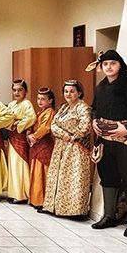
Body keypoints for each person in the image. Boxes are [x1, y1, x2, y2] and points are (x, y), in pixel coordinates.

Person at [89, 50, 127, 237]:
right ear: (101, 67)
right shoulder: (101, 87)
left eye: (113, 63)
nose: (109, 67)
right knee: (108, 178)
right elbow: (94, 109)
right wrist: (94, 121)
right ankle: (109, 216)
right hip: (105, 140)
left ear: (120, 65)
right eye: (105, 64)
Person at [42, 80, 92, 217]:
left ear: (79, 93)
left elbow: (85, 126)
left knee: (73, 177)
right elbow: (53, 125)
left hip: (75, 147)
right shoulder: (64, 108)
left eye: (72, 91)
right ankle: (54, 207)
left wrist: (72, 136)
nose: (68, 94)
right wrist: (63, 134)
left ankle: (74, 211)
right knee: (58, 175)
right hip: (61, 145)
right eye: (66, 91)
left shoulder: (83, 108)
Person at [5, 79, 36, 204]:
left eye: (20, 90)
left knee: (20, 164)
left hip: (20, 138)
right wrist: (11, 124)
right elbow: (5, 118)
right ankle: (13, 192)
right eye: (14, 90)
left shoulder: (27, 104)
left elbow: (31, 118)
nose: (17, 93)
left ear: (26, 91)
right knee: (12, 164)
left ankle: (21, 194)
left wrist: (17, 124)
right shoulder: (11, 104)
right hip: (12, 136)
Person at [26, 88, 56, 211]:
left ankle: (43, 201)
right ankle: (36, 199)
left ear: (50, 100)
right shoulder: (40, 112)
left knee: (43, 171)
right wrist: (29, 133)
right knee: (36, 170)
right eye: (38, 98)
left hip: (44, 145)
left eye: (43, 99)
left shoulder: (50, 112)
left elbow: (45, 128)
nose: (39, 101)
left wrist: (33, 136)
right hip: (37, 145)